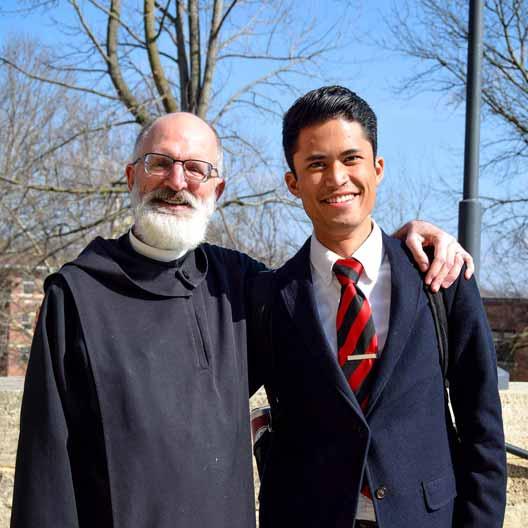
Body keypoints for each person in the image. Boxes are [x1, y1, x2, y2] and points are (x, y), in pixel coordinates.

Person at [11, 111, 473, 528]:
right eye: (159, 163)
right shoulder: (75, 296)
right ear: (132, 176)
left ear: (218, 189)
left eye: (197, 169)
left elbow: (341, 291)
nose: (177, 181)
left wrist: (403, 242)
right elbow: (45, 463)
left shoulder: (243, 286)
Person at [249, 86, 506, 528]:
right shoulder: (269, 298)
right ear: (292, 182)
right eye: (316, 164)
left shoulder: (440, 280)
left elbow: (483, 428)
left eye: (351, 159)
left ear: (378, 167)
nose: (336, 178)